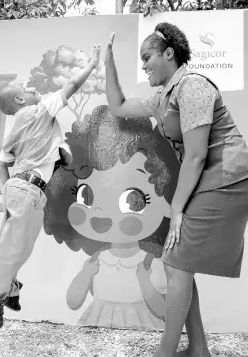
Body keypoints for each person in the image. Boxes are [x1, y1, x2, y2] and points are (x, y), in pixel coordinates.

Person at [105, 23, 248, 357]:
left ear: (169, 54)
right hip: (209, 181)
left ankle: (167, 353)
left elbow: (196, 156)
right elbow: (119, 106)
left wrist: (177, 211)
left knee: (177, 263)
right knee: (177, 263)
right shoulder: (163, 97)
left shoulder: (193, 86)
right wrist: (108, 62)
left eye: (147, 57)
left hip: (227, 178)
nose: (143, 65)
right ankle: (198, 349)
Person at [0, 44, 101, 329]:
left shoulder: (21, 128)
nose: (33, 88)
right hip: (26, 189)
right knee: (12, 248)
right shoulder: (37, 112)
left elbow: (1, 162)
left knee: (19, 247)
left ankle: (11, 288)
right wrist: (92, 65)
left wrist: (10, 191)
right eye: (27, 89)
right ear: (21, 99)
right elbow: (71, 86)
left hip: (25, 190)